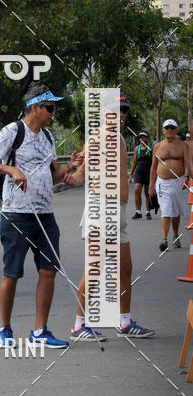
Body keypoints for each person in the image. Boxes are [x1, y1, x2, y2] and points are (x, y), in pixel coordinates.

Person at [0, 84, 79, 348]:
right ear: (36, 106)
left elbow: (54, 175)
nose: (52, 113)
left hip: (45, 215)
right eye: (50, 108)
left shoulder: (48, 138)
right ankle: (4, 329)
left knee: (48, 272)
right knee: (12, 273)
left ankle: (39, 331)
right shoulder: (13, 131)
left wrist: (71, 167)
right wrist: (11, 169)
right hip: (16, 215)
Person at [65, 94, 154, 339]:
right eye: (117, 110)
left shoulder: (122, 140)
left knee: (125, 267)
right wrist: (71, 173)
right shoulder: (97, 138)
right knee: (94, 268)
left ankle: (124, 322)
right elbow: (81, 174)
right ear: (104, 111)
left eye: (124, 111)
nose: (122, 115)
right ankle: (78, 325)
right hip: (102, 208)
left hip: (119, 210)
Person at [149, 119, 190, 252]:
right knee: (166, 211)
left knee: (176, 212)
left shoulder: (183, 145)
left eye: (172, 128)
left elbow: (187, 163)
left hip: (179, 182)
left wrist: (187, 177)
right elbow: (154, 166)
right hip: (163, 183)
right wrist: (151, 185)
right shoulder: (157, 146)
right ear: (163, 130)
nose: (169, 130)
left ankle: (176, 235)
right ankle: (164, 238)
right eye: (167, 128)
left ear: (176, 130)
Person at [128, 131, 152, 219]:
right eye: (140, 137)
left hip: (148, 172)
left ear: (147, 138)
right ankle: (138, 212)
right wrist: (131, 174)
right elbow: (134, 162)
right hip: (139, 172)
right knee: (137, 190)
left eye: (144, 137)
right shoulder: (136, 148)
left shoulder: (151, 147)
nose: (142, 139)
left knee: (147, 192)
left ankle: (148, 211)